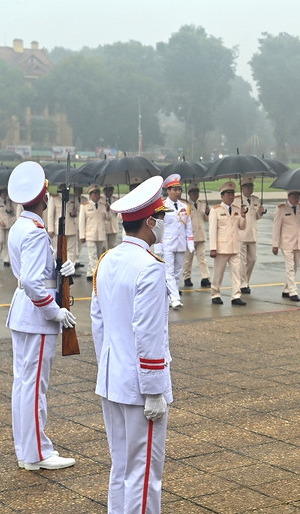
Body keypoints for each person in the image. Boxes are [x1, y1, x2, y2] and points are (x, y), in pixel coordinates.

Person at [90, 175, 173, 513]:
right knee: (144, 472)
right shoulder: (150, 268)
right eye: (162, 218)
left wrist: (108, 366)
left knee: (122, 466)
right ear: (150, 221)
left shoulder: (106, 260)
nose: (164, 225)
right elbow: (149, 333)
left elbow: (98, 323)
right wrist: (154, 388)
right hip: (140, 386)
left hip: (112, 379)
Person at [6, 161, 77, 471]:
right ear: (44, 197)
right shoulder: (35, 232)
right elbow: (35, 283)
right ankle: (37, 454)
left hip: (22, 312)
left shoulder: (20, 226)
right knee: (34, 388)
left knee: (24, 385)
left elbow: (35, 275)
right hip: (36, 317)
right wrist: (55, 311)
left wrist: (62, 270)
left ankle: (27, 450)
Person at [208, 181, 246, 306]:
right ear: (222, 196)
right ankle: (215, 293)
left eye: (232, 194)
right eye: (228, 194)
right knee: (218, 272)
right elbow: (212, 230)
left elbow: (242, 226)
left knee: (237, 272)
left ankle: (236, 295)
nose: (231, 196)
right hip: (221, 247)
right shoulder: (216, 210)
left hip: (235, 246)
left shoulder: (236, 209)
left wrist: (243, 216)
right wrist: (213, 248)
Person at [161, 174, 194, 310]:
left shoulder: (184, 206)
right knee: (168, 271)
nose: (177, 192)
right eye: (174, 189)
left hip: (180, 243)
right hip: (167, 243)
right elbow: (159, 226)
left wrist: (190, 244)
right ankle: (174, 298)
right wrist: (158, 246)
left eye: (179, 189)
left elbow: (189, 227)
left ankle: (168, 297)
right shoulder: (162, 206)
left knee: (177, 271)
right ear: (168, 191)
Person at [272, 190, 300, 302]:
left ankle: (286, 289)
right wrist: (275, 244)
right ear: (289, 196)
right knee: (290, 268)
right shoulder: (281, 209)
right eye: (295, 197)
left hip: (298, 242)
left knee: (295, 267)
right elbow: (276, 227)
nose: (297, 199)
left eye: (298, 196)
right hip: (286, 242)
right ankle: (293, 292)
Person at [236, 176, 265, 294]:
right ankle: (243, 284)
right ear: (242, 188)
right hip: (241, 233)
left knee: (252, 259)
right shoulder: (236, 200)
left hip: (252, 233)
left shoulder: (256, 200)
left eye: (251, 186)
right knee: (242, 261)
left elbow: (256, 217)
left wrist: (260, 213)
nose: (249, 189)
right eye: (247, 186)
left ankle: (245, 280)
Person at [47, 184, 82, 274]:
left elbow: (79, 209)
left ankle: (70, 270)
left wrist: (75, 211)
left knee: (71, 251)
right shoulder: (54, 199)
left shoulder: (72, 198)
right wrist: (50, 228)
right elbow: (50, 215)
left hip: (71, 227)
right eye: (62, 189)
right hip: (58, 228)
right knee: (56, 250)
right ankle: (52, 268)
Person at [182, 183, 211, 288]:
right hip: (190, 235)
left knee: (202, 258)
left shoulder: (202, 204)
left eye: (197, 192)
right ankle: (187, 277)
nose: (195, 194)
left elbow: (206, 219)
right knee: (188, 259)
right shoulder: (185, 205)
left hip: (201, 234)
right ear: (189, 193)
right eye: (193, 192)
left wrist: (207, 212)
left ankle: (205, 277)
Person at [79, 184, 108, 281]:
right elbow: (81, 222)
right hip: (90, 234)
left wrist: (108, 210)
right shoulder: (85, 206)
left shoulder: (103, 205)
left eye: (98, 193)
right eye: (94, 193)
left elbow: (108, 219)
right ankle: (96, 275)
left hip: (100, 234)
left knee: (99, 255)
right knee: (93, 255)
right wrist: (82, 235)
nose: (96, 195)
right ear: (90, 195)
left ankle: (89, 273)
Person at [0, 186, 17, 266]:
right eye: (4, 193)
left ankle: (6, 260)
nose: (5, 194)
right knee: (0, 241)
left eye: (6, 193)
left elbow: (15, 214)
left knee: (8, 243)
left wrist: (12, 211)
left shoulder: (10, 202)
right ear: (0, 193)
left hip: (9, 225)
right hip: (0, 225)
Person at [103, 185, 120, 249]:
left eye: (111, 190)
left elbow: (119, 214)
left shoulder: (116, 200)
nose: (109, 192)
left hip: (113, 226)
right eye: (108, 190)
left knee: (112, 246)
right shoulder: (101, 200)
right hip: (105, 226)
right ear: (104, 191)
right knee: (104, 247)